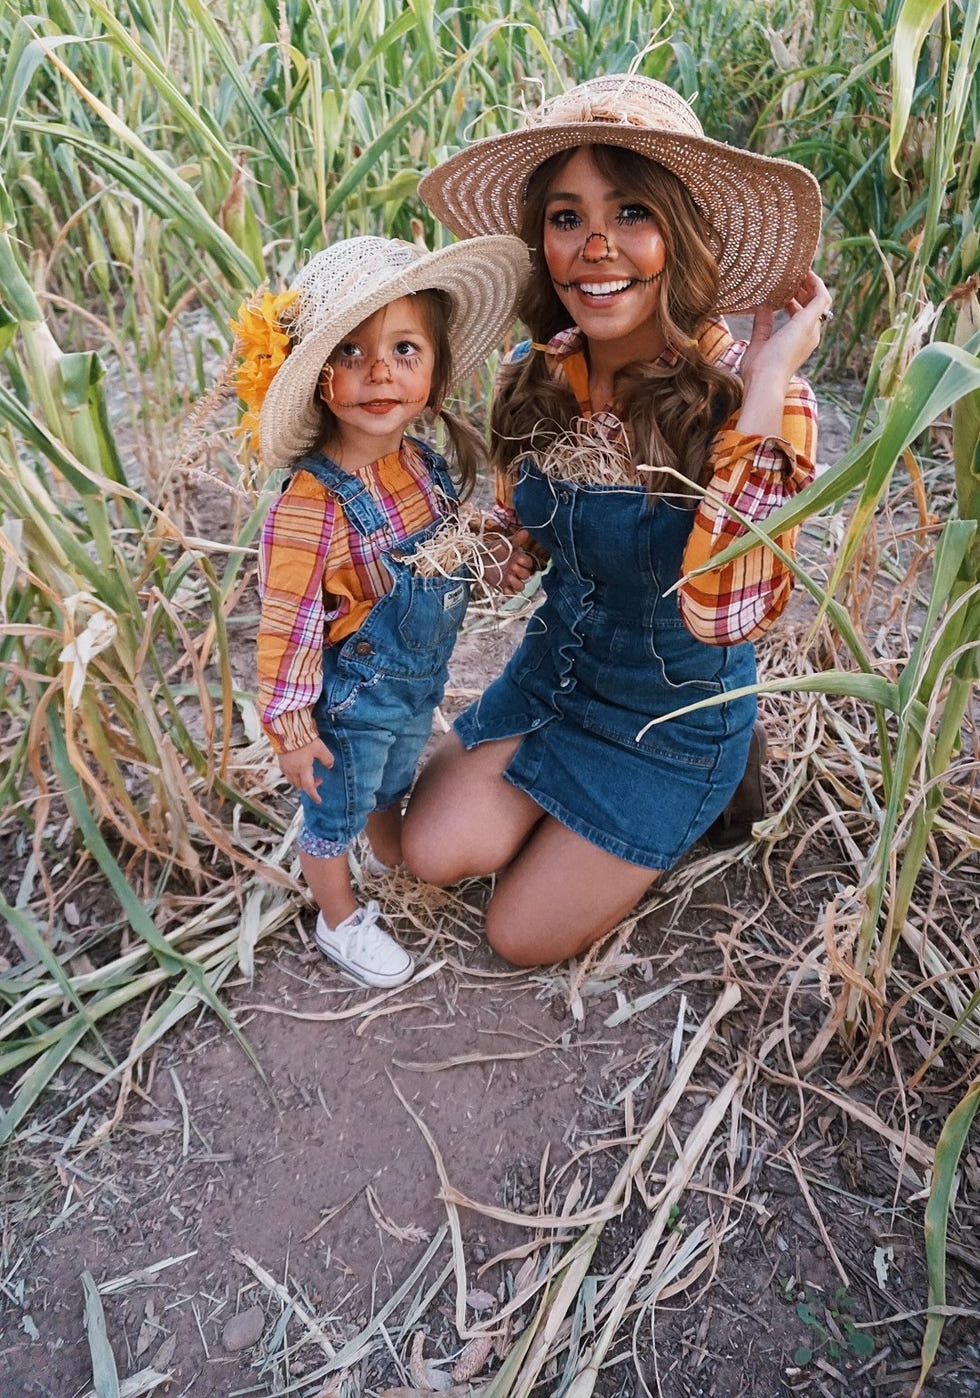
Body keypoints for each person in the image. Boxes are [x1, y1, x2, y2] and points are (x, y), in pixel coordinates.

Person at [402, 74, 830, 968]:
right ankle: (564, 817)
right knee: (428, 852)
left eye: (631, 211)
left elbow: (725, 613)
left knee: (515, 936)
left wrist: (767, 377)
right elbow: (522, 518)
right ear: (541, 243)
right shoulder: (541, 371)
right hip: (555, 678)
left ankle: (711, 784)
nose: (596, 248)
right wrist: (505, 546)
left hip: (670, 718)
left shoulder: (754, 398)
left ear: (681, 233)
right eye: (566, 219)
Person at [237, 234, 529, 987]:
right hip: (352, 701)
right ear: (319, 380)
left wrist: (491, 551)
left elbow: (448, 544)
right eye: (353, 353)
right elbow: (288, 626)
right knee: (333, 809)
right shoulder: (314, 504)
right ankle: (340, 921)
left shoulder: (420, 464)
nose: (379, 372)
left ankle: (385, 844)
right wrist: (292, 729)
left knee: (397, 775)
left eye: (404, 350)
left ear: (431, 377)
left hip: (415, 685)